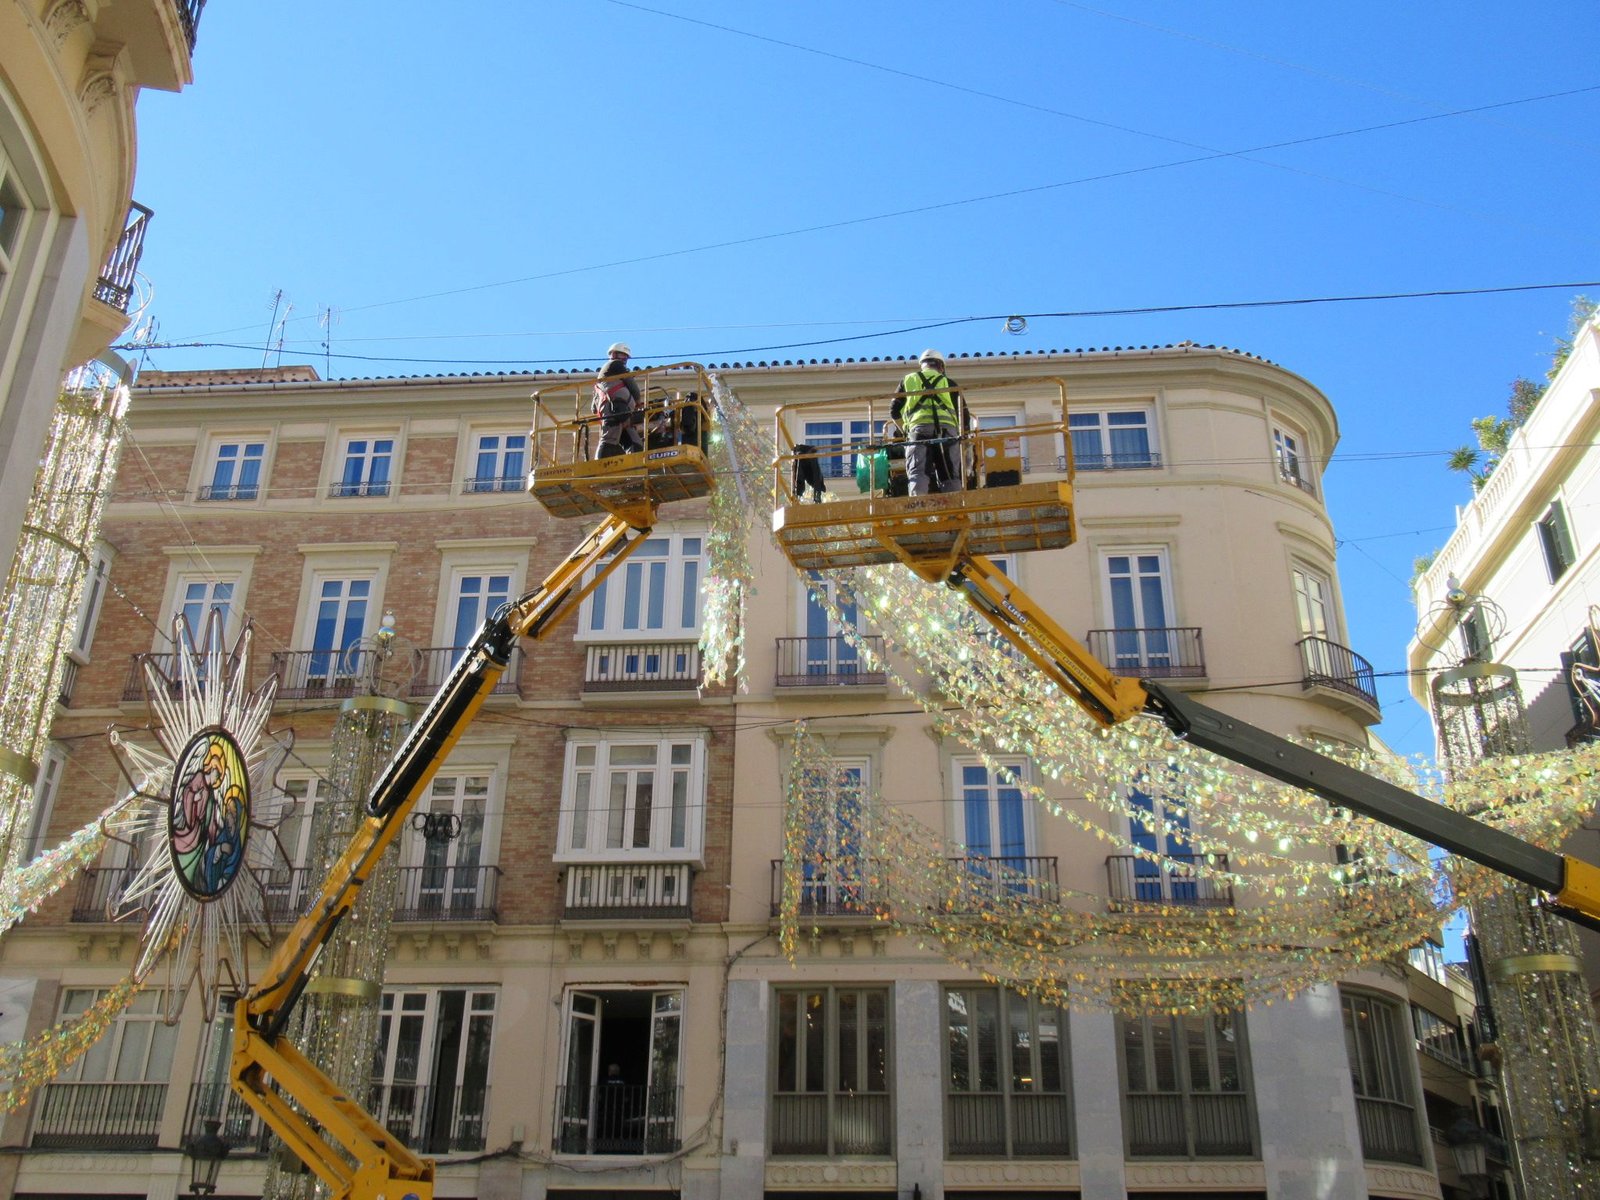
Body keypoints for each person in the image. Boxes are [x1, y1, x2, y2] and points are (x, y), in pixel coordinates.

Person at [892, 349, 966, 496]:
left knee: (918, 473)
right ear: (941, 366)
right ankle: (954, 512)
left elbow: (894, 411)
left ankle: (917, 511)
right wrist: (964, 436)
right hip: (947, 432)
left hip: (919, 430)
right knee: (950, 473)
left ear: (922, 365)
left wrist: (905, 432)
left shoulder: (908, 380)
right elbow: (964, 415)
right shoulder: (950, 383)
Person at [594, 343, 643, 459]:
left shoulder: (607, 374)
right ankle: (598, 467)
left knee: (634, 443)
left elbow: (593, 407)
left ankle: (634, 467)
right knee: (609, 439)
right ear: (614, 354)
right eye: (623, 355)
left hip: (622, 412)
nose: (625, 359)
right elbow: (632, 386)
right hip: (615, 409)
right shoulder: (615, 364)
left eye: (626, 356)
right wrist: (637, 401)